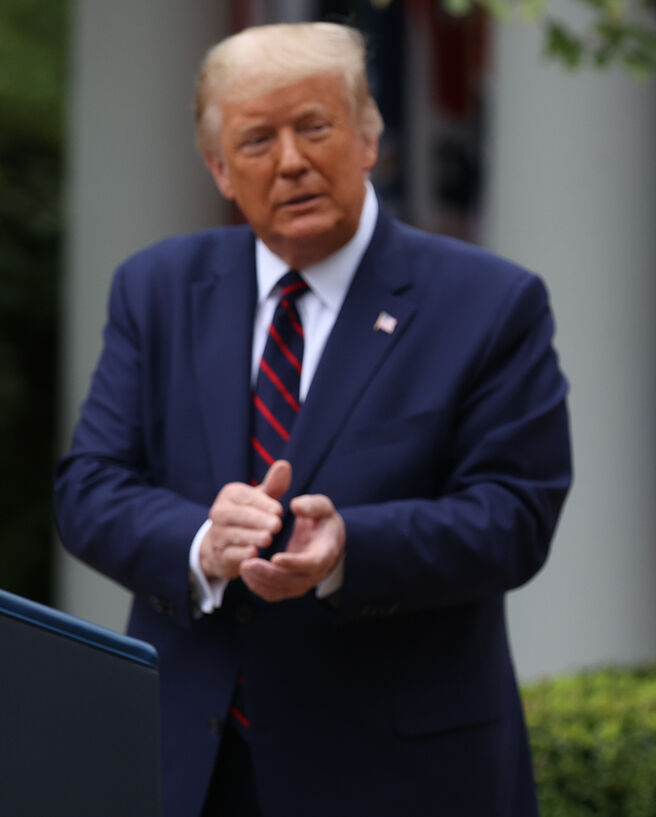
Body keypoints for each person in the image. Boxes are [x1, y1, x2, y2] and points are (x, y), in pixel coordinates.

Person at [53, 22, 571, 817]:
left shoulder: (490, 302)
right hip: (192, 761)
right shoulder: (156, 289)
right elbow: (89, 487)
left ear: (368, 137)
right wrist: (200, 541)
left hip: (399, 771)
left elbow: (514, 515)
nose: (291, 160)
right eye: (257, 139)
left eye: (315, 127)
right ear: (220, 169)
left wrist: (349, 549)